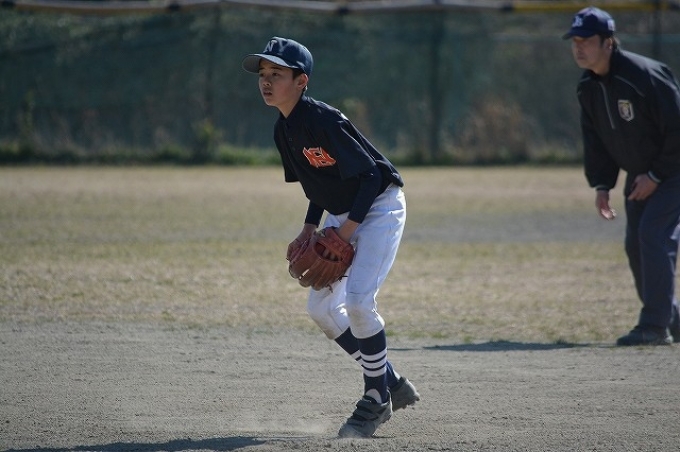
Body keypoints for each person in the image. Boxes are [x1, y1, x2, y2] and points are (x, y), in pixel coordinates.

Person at [241, 37, 419, 437]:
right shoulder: (284, 129)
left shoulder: (324, 120)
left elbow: (371, 175)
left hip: (380, 208)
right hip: (344, 212)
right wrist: (309, 227)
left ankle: (376, 399)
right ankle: (390, 379)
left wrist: (346, 232)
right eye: (263, 74)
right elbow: (317, 184)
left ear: (301, 81)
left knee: (358, 302)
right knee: (321, 309)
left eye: (277, 74)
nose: (266, 81)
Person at [563, 7, 680, 346]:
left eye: (586, 40)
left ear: (608, 42)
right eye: (574, 41)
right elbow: (596, 140)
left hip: (673, 170)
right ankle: (671, 319)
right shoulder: (588, 87)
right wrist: (602, 184)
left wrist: (655, 175)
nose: (578, 47)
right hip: (643, 174)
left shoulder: (644, 75)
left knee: (653, 235)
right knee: (636, 244)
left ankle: (654, 326)